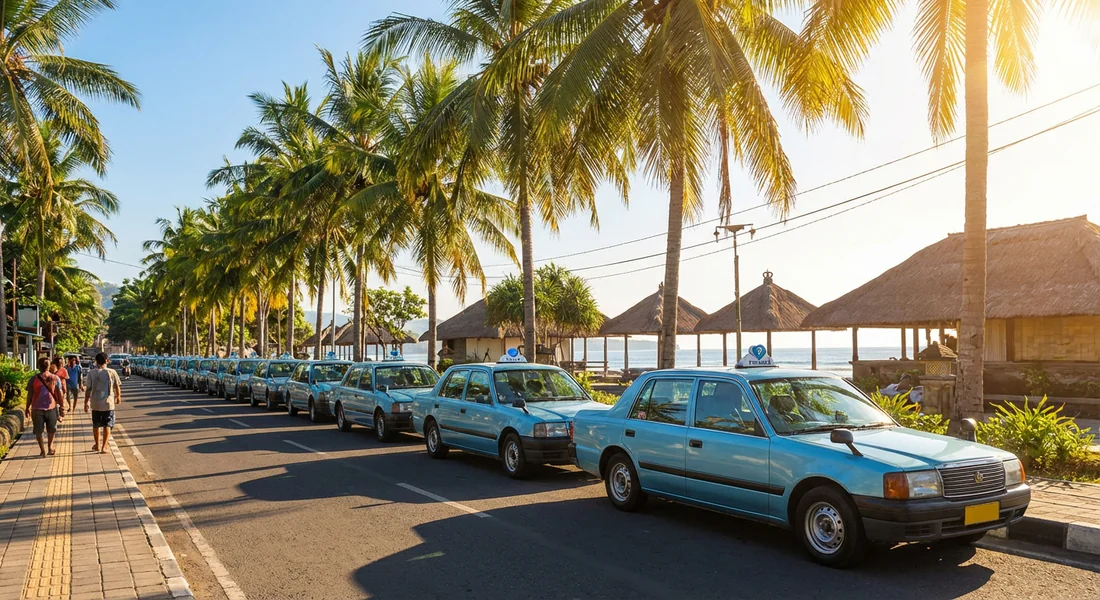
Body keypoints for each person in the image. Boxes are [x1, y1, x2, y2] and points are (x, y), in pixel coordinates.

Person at [84, 352, 122, 454]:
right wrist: (118, 397)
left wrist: (85, 402)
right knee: (107, 425)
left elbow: (88, 389)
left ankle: (97, 444)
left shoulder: (91, 373)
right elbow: (116, 386)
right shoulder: (112, 372)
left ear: (96, 361)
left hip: (95, 403)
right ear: (106, 361)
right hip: (108, 403)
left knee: (96, 425)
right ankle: (104, 447)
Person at [25, 357, 63, 457]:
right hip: (52, 408)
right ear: (49, 366)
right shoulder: (55, 378)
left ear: (38, 366)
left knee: (39, 431)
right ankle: (50, 448)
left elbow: (30, 395)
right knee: (51, 430)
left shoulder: (33, 379)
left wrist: (27, 407)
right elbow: (59, 394)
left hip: (37, 408)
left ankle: (42, 450)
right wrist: (62, 408)